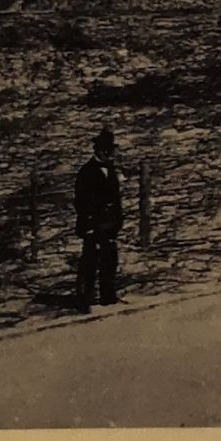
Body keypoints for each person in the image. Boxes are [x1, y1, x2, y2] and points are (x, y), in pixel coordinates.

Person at [74, 128, 124, 310]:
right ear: (99, 151)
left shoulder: (111, 171)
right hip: (93, 224)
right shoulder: (86, 172)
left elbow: (116, 198)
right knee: (90, 260)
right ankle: (85, 299)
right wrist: (88, 223)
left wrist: (118, 220)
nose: (110, 155)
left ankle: (108, 296)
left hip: (109, 224)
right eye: (107, 151)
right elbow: (81, 200)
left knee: (109, 259)